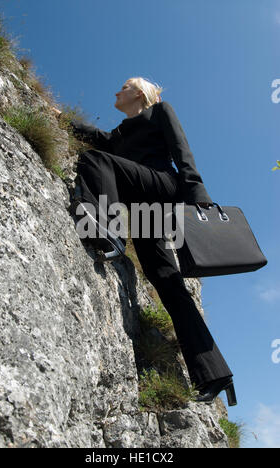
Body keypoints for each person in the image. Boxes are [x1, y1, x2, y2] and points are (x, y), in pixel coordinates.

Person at [52, 77, 237, 406]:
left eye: (122, 87)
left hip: (162, 187)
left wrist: (198, 194)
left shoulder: (161, 112)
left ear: (139, 92)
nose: (115, 92)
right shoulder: (119, 135)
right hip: (141, 210)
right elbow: (99, 138)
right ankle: (215, 374)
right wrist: (61, 117)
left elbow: (182, 151)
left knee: (95, 161)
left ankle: (107, 230)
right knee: (166, 281)